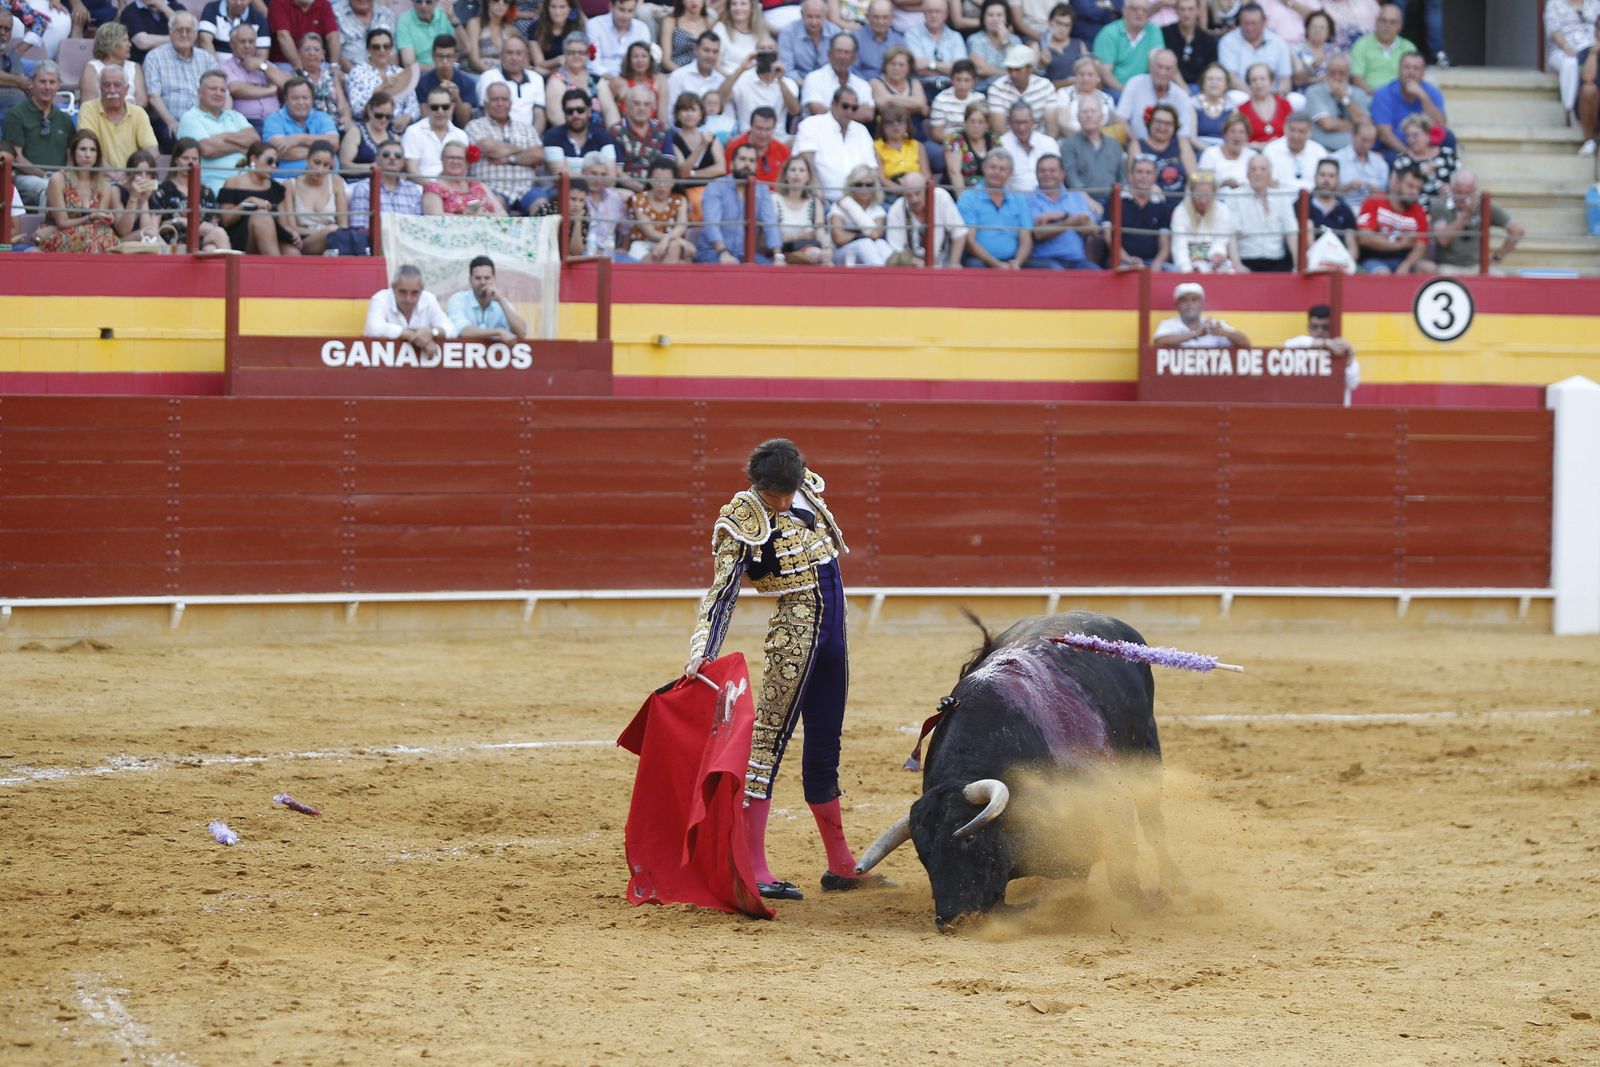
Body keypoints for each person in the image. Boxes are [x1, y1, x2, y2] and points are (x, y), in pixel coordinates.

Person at [683, 438, 877, 900]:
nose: (786, 501)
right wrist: (702, 649)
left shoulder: (805, 485)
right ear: (758, 485)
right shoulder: (741, 519)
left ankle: (841, 864)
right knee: (767, 742)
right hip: (795, 633)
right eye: (776, 496)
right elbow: (722, 591)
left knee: (827, 741)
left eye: (789, 492)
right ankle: (755, 867)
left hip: (834, 630)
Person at [33, 129, 121, 253]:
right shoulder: (59, 179)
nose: (88, 155)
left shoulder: (104, 185)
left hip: (91, 233)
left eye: (93, 150)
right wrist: (90, 217)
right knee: (92, 241)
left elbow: (98, 221)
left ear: (98, 155)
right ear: (73, 152)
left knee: (109, 239)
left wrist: (107, 218)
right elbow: (62, 222)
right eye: (83, 149)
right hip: (59, 232)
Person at [695, 139, 782, 261]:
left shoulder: (762, 190)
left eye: (752, 161)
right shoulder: (716, 186)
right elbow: (711, 224)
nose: (747, 164)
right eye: (742, 159)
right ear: (731, 164)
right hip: (713, 252)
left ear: (756, 167)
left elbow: (770, 224)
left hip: (746, 256)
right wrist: (723, 253)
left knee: (773, 274)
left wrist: (778, 256)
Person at [1428, 167, 1524, 276]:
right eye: (1459, 192)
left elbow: (1517, 231)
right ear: (1451, 188)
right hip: (1448, 265)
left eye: (1467, 192)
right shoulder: (1439, 204)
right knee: (1441, 277)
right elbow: (1443, 240)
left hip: (1478, 266)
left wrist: (1497, 257)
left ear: (1475, 191)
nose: (1463, 197)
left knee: (1499, 278)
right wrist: (1466, 215)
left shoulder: (1484, 205)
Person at [177, 68, 261, 192]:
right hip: (214, 183)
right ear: (199, 92)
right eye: (213, 89)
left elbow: (255, 141)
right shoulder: (190, 118)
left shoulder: (235, 116)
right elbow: (207, 149)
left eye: (223, 90)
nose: (218, 93)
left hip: (248, 180)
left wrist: (224, 138)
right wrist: (241, 145)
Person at [2, 60, 69, 210]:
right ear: (32, 83)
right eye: (42, 81)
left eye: (52, 82)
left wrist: (66, 177)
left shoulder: (64, 118)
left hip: (59, 177)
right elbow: (16, 158)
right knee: (50, 188)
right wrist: (46, 175)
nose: (47, 87)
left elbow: (71, 155)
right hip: (26, 178)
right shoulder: (16, 114)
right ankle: (46, 230)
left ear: (58, 86)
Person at [467, 80, 545, 209]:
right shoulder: (475, 125)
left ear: (510, 103)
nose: (500, 104)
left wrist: (509, 158)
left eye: (504, 99)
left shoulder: (526, 128)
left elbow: (538, 155)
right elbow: (490, 149)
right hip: (491, 189)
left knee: (543, 206)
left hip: (525, 190)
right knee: (494, 204)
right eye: (495, 99)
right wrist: (524, 151)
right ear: (486, 104)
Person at [793, 84, 877, 199]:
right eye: (845, 106)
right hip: (822, 198)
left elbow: (871, 168)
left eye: (854, 108)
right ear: (833, 104)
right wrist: (815, 188)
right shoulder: (811, 125)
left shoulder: (861, 130)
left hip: (858, 200)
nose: (849, 111)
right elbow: (806, 161)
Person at [216, 139, 298, 252]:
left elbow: (283, 223)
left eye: (276, 163)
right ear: (254, 159)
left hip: (274, 237)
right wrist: (248, 203)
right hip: (240, 238)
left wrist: (292, 232)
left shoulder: (277, 189)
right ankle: (273, 267)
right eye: (269, 161)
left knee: (292, 252)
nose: (274, 166)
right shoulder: (233, 182)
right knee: (261, 216)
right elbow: (226, 220)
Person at [150, 135, 232, 247]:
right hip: (172, 242)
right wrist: (178, 221)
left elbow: (213, 225)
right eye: (185, 158)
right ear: (176, 159)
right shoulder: (162, 190)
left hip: (202, 242)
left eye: (194, 159)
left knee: (215, 240)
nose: (190, 163)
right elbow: (154, 228)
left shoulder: (206, 192)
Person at [956, 147, 1032, 266]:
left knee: (1049, 270)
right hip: (979, 260)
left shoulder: (1019, 200)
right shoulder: (968, 198)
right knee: (975, 265)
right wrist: (997, 264)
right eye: (993, 167)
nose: (997, 172)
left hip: (1013, 261)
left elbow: (1026, 239)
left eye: (1002, 169)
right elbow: (969, 241)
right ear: (984, 168)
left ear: (1010, 173)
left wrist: (1017, 262)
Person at [1354, 160, 1431, 273]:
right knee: (1383, 273)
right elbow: (1364, 238)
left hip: (1404, 260)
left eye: (1418, 189)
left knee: (1428, 268)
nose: (1414, 192)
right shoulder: (1374, 201)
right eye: (1410, 186)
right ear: (1397, 183)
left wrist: (1406, 265)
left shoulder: (1419, 211)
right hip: (1374, 259)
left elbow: (1421, 246)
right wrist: (1399, 245)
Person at [77, 65, 158, 169]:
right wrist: (113, 174)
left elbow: (152, 149)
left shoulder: (138, 113)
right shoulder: (88, 109)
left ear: (126, 88)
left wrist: (132, 172)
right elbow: (87, 149)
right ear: (100, 88)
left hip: (132, 178)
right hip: (98, 179)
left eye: (117, 85)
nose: (112, 90)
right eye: (106, 85)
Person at [365, 264, 456, 355]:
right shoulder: (381, 299)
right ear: (393, 288)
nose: (408, 299)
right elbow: (373, 329)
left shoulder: (429, 299)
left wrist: (432, 333)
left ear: (421, 290)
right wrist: (413, 336)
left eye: (414, 293)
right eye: (402, 292)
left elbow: (451, 330)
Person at [1026, 151, 1097, 267]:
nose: (1047, 174)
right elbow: (1039, 233)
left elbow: (1093, 229)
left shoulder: (1076, 197)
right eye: (1042, 171)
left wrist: (1059, 218)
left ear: (1062, 174)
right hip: (1044, 260)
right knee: (1056, 271)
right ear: (1036, 174)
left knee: (1095, 273)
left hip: (1077, 260)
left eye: (1052, 170)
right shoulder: (1028, 199)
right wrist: (1072, 221)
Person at [1370, 50, 1443, 160]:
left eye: (1416, 68)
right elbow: (1385, 135)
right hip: (1395, 146)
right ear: (1399, 70)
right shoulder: (1383, 94)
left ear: (1423, 73)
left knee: (1449, 138)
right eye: (1406, 67)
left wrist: (1423, 97)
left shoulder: (1432, 92)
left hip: (1424, 144)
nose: (1410, 72)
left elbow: (1441, 126)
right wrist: (1409, 154)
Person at [263, 75, 338, 176]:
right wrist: (323, 154)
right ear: (286, 99)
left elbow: (334, 143)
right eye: (295, 98)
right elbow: (282, 151)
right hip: (288, 183)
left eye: (305, 98)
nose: (301, 102)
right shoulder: (274, 119)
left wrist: (299, 139)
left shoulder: (322, 117)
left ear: (312, 99)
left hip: (327, 182)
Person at [1283, 302, 1358, 404]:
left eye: (1325, 327)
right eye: (1315, 326)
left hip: (1336, 412)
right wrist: (1325, 343)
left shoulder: (1342, 351)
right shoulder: (1302, 345)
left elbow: (1353, 383)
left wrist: (1351, 355)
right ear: (1308, 327)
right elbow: (1288, 345)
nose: (1320, 331)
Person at [345, 28, 420, 129]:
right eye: (376, 47)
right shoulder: (357, 72)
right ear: (368, 49)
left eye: (386, 46)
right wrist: (381, 87)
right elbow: (357, 109)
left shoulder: (400, 72)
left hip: (400, 129)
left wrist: (407, 117)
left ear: (391, 49)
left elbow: (413, 106)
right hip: (370, 129)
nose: (382, 50)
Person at [884, 170, 965, 263]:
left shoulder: (941, 197)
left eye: (917, 193)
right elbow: (896, 250)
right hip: (911, 265)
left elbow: (959, 233)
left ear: (926, 190)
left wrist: (954, 263)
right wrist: (918, 264)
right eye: (909, 195)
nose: (914, 199)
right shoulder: (896, 210)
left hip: (943, 261)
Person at [221, 20, 290, 129]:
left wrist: (263, 67)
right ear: (232, 44)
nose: (247, 45)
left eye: (251, 41)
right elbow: (237, 89)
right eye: (242, 42)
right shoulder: (226, 66)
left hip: (276, 120)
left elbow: (289, 85)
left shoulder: (266, 65)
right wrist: (271, 90)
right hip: (246, 122)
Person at [282, 138, 347, 252]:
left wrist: (329, 231)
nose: (320, 169)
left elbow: (343, 224)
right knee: (333, 231)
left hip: (334, 239)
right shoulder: (290, 185)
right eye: (316, 162)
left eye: (326, 165)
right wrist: (324, 232)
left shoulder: (336, 182)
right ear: (307, 159)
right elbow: (291, 227)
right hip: (302, 242)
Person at [1231, 151, 1293, 269]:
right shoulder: (1235, 197)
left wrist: (1298, 265)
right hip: (1247, 260)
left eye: (1262, 169)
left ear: (1270, 174)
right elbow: (1231, 233)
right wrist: (1237, 264)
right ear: (1247, 174)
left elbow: (1292, 232)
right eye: (1253, 169)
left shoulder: (1282, 197)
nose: (1258, 173)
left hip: (1277, 260)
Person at [1116, 47, 1194, 140]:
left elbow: (1184, 133)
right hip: (1136, 143)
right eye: (1159, 66)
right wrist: (1135, 143)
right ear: (1150, 66)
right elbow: (1120, 118)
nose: (1162, 72)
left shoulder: (1181, 96)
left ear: (1174, 72)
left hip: (1170, 150)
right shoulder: (1135, 84)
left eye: (1168, 68)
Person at [1168, 169, 1239, 270]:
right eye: (1198, 195)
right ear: (1191, 192)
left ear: (1214, 193)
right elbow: (1179, 247)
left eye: (1207, 195)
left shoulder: (1223, 210)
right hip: (1188, 263)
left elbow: (1220, 241)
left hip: (1214, 263)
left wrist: (1215, 256)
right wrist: (1187, 268)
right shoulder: (1180, 211)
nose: (1202, 200)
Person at [626, 155, 694, 260]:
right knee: (673, 246)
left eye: (667, 180)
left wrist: (667, 240)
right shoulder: (638, 199)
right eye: (657, 180)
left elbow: (681, 227)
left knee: (674, 246)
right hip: (644, 244)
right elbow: (650, 232)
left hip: (672, 241)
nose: (662, 185)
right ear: (650, 180)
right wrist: (670, 239)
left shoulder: (680, 199)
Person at [726, 38, 801, 132]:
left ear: (777, 55)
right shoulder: (742, 78)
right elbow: (723, 97)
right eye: (762, 49)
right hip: (747, 135)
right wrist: (741, 68)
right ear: (756, 54)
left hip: (777, 136)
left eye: (770, 49)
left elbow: (795, 111)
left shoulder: (788, 83)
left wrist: (780, 80)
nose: (766, 52)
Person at [1217, 1, 1291, 95]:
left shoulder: (1278, 42)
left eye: (1253, 23)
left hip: (1273, 94)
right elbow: (1231, 78)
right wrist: (1255, 97)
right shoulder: (1227, 42)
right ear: (1240, 21)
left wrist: (1279, 96)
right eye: (1246, 23)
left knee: (1296, 100)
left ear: (1264, 21)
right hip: (1243, 94)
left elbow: (1285, 77)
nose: (1250, 28)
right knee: (1235, 96)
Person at [447, 254, 528, 339]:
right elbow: (463, 331)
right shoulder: (458, 300)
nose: (483, 282)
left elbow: (522, 332)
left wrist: (501, 300)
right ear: (470, 280)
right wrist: (498, 331)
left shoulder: (500, 301)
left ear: (494, 279)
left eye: (487, 278)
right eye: (478, 278)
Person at [1547, 0, 1600, 127]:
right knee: (1570, 63)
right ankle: (1570, 111)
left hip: (1592, 48)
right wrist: (1566, 47)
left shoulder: (1595, 3)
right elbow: (1554, 30)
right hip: (1565, 50)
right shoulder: (1555, 3)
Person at [771, 152, 831, 262]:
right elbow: (769, 237)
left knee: (824, 258)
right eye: (793, 170)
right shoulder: (774, 200)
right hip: (782, 253)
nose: (797, 174)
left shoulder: (814, 202)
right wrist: (799, 236)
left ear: (808, 177)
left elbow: (820, 232)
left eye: (801, 170)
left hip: (811, 251)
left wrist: (826, 249)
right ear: (786, 175)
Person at [543, 88, 618, 175]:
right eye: (569, 111)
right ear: (564, 113)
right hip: (561, 188)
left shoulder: (603, 135)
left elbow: (611, 177)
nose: (575, 115)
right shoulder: (553, 136)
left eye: (580, 110)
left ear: (589, 112)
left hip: (598, 188)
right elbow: (561, 178)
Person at [1059, 93, 1123, 196]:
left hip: (1113, 201)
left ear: (1101, 116)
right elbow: (1072, 180)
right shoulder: (1068, 145)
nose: (1089, 115)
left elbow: (1122, 179)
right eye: (1084, 111)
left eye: (1093, 111)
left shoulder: (1114, 145)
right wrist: (1088, 202)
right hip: (1081, 203)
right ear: (1078, 117)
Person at [1111, 152, 1169, 265]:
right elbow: (1109, 236)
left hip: (1153, 263)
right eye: (1139, 172)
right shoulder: (1117, 199)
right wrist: (1127, 259)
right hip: (1122, 262)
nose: (1144, 176)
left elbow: (1165, 243)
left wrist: (1157, 264)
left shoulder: (1161, 204)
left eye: (1148, 172)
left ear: (1155, 177)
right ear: (1130, 175)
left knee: (1173, 271)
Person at [1152, 279, 1250, 346]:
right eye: (1184, 301)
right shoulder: (1169, 324)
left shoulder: (1213, 325)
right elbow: (1159, 341)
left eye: (1194, 300)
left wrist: (1226, 333)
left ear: (1202, 305)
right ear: (1177, 306)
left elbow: (1245, 342)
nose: (1190, 304)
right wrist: (1195, 334)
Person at [802, 32, 875, 120]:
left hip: (852, 132)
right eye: (838, 51)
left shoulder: (862, 85)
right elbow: (817, 110)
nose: (842, 56)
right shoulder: (814, 78)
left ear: (854, 57)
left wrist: (833, 112)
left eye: (847, 52)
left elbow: (868, 114)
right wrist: (853, 113)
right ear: (829, 54)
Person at [1304, 52, 1368, 152]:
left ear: (1348, 74)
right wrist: (1355, 125)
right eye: (1332, 72)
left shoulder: (1359, 94)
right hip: (1324, 150)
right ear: (1326, 72)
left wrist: (1344, 98)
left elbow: (1365, 125)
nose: (1337, 77)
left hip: (1354, 151)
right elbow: (1328, 124)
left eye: (1341, 73)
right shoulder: (1314, 92)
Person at [422, 138, 507, 213]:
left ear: (467, 161)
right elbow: (435, 218)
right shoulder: (433, 188)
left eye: (460, 158)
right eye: (450, 157)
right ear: (442, 159)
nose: (455, 161)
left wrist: (484, 216)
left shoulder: (478, 185)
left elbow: (503, 214)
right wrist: (468, 218)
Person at [1092, 0, 1158, 95]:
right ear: (1124, 10)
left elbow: (1157, 64)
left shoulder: (1153, 30)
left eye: (1145, 10)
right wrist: (1128, 93)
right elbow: (1105, 74)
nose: (1140, 13)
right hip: (1115, 89)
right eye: (1135, 9)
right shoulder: (1108, 33)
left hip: (1145, 90)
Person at [1389, 111, 1451, 208]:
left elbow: (1459, 181)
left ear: (1427, 134)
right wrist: (1419, 174)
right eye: (1407, 136)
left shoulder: (1447, 155)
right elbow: (1393, 190)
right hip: (1415, 210)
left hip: (1445, 207)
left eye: (1415, 135)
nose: (1410, 140)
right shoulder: (1402, 161)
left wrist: (1451, 189)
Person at [403, 87, 469, 178]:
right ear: (426, 108)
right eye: (435, 107)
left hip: (453, 189)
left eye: (445, 107)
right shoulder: (413, 132)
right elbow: (412, 171)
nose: (440, 111)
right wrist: (434, 188)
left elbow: (463, 171)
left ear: (452, 108)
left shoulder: (461, 135)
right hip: (422, 189)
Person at [418, 33, 481, 128]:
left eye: (448, 56)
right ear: (433, 56)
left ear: (455, 57)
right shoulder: (422, 82)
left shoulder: (467, 82)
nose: (444, 61)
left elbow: (465, 123)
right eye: (440, 56)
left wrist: (457, 98)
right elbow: (424, 120)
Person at [1348, 2, 1412, 94]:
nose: (1387, 26)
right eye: (1383, 21)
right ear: (1376, 22)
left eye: (1392, 22)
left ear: (1399, 26)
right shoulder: (1361, 45)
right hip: (1369, 97)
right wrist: (1379, 97)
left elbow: (1413, 79)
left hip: (1400, 98)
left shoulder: (1408, 47)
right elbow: (1357, 80)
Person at [986, 43, 1052, 132]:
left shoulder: (1046, 86)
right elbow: (999, 130)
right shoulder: (996, 88)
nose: (1013, 74)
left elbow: (1052, 128)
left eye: (1017, 69)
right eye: (1010, 69)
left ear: (1030, 69)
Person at [81, 23, 150, 108]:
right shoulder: (92, 68)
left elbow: (142, 101)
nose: (130, 45)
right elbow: (88, 104)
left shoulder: (135, 67)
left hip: (131, 117)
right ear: (111, 43)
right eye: (125, 40)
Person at [1130, 101, 1190, 194]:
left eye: (1168, 123)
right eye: (1158, 122)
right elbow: (1133, 179)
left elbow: (1193, 176)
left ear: (1175, 127)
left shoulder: (1182, 143)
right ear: (1150, 122)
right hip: (1151, 199)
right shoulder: (1137, 145)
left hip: (1181, 201)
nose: (1162, 127)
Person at [1305, 155, 1357, 262]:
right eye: (1322, 175)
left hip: (1341, 264)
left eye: (1331, 176)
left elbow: (1353, 247)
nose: (1326, 180)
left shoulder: (1345, 209)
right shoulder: (1303, 204)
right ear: (1315, 177)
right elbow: (1307, 244)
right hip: (1313, 262)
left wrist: (1344, 264)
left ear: (1337, 179)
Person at [294, 31, 350, 128]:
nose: (312, 53)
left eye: (316, 49)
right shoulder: (295, 77)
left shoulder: (331, 75)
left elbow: (342, 103)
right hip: (309, 126)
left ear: (323, 54)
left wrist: (346, 117)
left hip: (335, 124)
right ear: (299, 53)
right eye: (307, 49)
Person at [1050, 54, 1115, 137]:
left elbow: (1111, 127)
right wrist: (1090, 134)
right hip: (1071, 140)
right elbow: (1064, 123)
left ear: (1098, 78)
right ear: (1075, 76)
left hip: (1100, 142)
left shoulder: (1107, 99)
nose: (1085, 79)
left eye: (1090, 74)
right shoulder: (1064, 94)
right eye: (1081, 74)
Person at [905, 0, 968, 84]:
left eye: (938, 11)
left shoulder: (955, 36)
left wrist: (930, 64)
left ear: (946, 15)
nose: (933, 15)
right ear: (923, 13)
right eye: (930, 11)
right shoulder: (912, 35)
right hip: (924, 86)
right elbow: (919, 68)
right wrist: (950, 69)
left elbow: (961, 69)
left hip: (951, 87)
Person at [666, 29, 726, 115]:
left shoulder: (722, 80)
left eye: (715, 52)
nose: (710, 56)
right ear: (696, 50)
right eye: (706, 50)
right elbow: (670, 113)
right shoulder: (678, 77)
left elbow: (726, 116)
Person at [1260, 108, 1322, 190]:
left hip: (1310, 198)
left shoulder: (1318, 151)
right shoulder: (1271, 150)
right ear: (1285, 130)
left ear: (1309, 133)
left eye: (1301, 131)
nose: (1296, 136)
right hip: (1279, 198)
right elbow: (1270, 182)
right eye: (1292, 130)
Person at [269, 0, 341, 69]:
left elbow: (333, 36)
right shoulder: (279, 2)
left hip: (317, 63)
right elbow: (283, 36)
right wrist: (298, 67)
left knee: (335, 77)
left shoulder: (323, 4)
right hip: (286, 62)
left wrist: (334, 65)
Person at [589, 0, 651, 79]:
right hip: (601, 79)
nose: (626, 16)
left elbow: (645, 63)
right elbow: (593, 64)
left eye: (630, 11)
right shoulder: (594, 25)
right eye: (621, 10)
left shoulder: (642, 28)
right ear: (611, 7)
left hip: (632, 80)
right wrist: (615, 80)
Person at [778, 0, 839, 81]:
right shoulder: (788, 33)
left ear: (825, 16)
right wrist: (804, 84)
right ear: (802, 14)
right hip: (798, 81)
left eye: (818, 17)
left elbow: (841, 65)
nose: (814, 22)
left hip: (829, 81)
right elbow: (786, 68)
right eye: (809, 16)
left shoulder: (836, 33)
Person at [965, 0, 1021, 89]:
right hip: (983, 90)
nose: (995, 19)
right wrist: (1007, 73)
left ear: (1006, 18)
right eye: (990, 15)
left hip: (1011, 90)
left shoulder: (1014, 40)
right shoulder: (975, 39)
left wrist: (1005, 42)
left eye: (999, 15)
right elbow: (981, 70)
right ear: (983, 18)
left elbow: (1018, 67)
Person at [727, 105, 791, 180]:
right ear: (751, 126)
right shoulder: (734, 148)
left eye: (768, 129)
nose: (763, 134)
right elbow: (727, 180)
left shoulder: (783, 151)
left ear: (774, 129)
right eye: (759, 128)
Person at [928, 56, 983, 142]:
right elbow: (937, 133)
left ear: (974, 81)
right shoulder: (940, 100)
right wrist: (959, 144)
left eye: (967, 80)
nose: (962, 85)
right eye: (958, 79)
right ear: (951, 79)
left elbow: (985, 128)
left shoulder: (980, 99)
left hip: (975, 142)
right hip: (950, 143)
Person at [943, 97, 992, 191]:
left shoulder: (993, 139)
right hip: (961, 194)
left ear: (987, 125)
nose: (976, 126)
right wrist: (964, 202)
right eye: (972, 121)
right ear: (965, 122)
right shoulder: (955, 139)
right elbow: (954, 172)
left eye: (980, 122)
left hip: (987, 194)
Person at [1163, 0, 1216, 88]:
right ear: (1176, 11)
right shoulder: (1165, 33)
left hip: (1200, 90)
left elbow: (1211, 70)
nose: (1186, 14)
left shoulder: (1208, 40)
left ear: (1198, 11)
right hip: (1170, 87)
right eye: (1182, 9)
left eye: (1190, 9)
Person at [340, 88, 395, 171]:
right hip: (358, 181)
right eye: (379, 115)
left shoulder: (394, 138)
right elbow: (344, 165)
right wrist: (371, 168)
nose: (383, 120)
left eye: (388, 117)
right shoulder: (356, 132)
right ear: (369, 111)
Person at [1196, 110, 1253, 190]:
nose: (1237, 136)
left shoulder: (1252, 156)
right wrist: (1222, 184)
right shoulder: (1210, 154)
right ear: (1225, 134)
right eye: (1232, 131)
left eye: (1241, 132)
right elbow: (1203, 185)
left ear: (1247, 136)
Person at [331, 0, 394, 71]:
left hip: (384, 76)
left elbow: (393, 52)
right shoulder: (335, 13)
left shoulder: (386, 14)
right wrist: (356, 75)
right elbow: (335, 52)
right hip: (348, 75)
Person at [871, 44, 928, 121]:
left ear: (909, 67)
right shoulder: (875, 82)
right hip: (886, 125)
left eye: (901, 65)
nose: (896, 68)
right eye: (892, 64)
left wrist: (890, 100)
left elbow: (920, 103)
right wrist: (913, 106)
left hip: (914, 127)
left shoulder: (915, 83)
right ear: (885, 66)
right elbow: (881, 103)